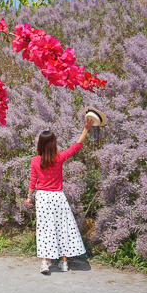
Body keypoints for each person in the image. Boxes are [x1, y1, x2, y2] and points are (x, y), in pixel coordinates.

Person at [26, 117, 95, 273]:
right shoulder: (59, 158)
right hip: (58, 197)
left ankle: (45, 263)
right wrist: (86, 129)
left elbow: (33, 180)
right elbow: (77, 146)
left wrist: (29, 196)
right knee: (62, 227)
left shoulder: (35, 160)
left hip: (43, 197)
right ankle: (64, 263)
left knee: (45, 229)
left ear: (40, 144)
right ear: (53, 144)